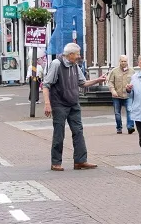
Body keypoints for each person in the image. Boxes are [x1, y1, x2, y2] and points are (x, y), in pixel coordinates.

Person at [41, 42, 107, 171]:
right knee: (59, 133)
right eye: (77, 54)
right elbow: (46, 85)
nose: (79, 56)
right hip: (59, 104)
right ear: (70, 55)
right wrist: (47, 104)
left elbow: (82, 83)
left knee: (78, 131)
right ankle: (56, 162)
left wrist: (97, 80)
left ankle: (80, 161)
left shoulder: (75, 65)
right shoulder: (56, 64)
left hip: (74, 103)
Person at [107, 55, 132, 134]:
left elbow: (135, 82)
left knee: (130, 110)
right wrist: (112, 91)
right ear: (119, 61)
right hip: (117, 96)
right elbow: (110, 82)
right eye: (122, 61)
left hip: (128, 95)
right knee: (117, 113)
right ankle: (119, 128)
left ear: (127, 61)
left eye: (125, 61)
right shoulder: (114, 71)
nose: (123, 63)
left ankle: (130, 127)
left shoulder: (132, 71)